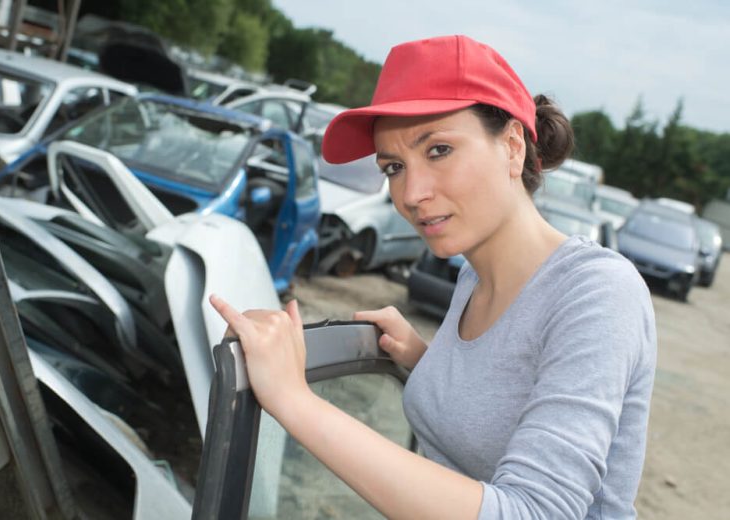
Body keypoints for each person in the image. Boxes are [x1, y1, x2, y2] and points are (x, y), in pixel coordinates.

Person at [210, 35, 656, 519]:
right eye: (394, 167)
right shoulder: (472, 279)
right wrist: (425, 363)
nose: (411, 193)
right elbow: (497, 411)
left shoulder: (598, 293)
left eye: (439, 149)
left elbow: (535, 512)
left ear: (510, 147)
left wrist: (294, 401)